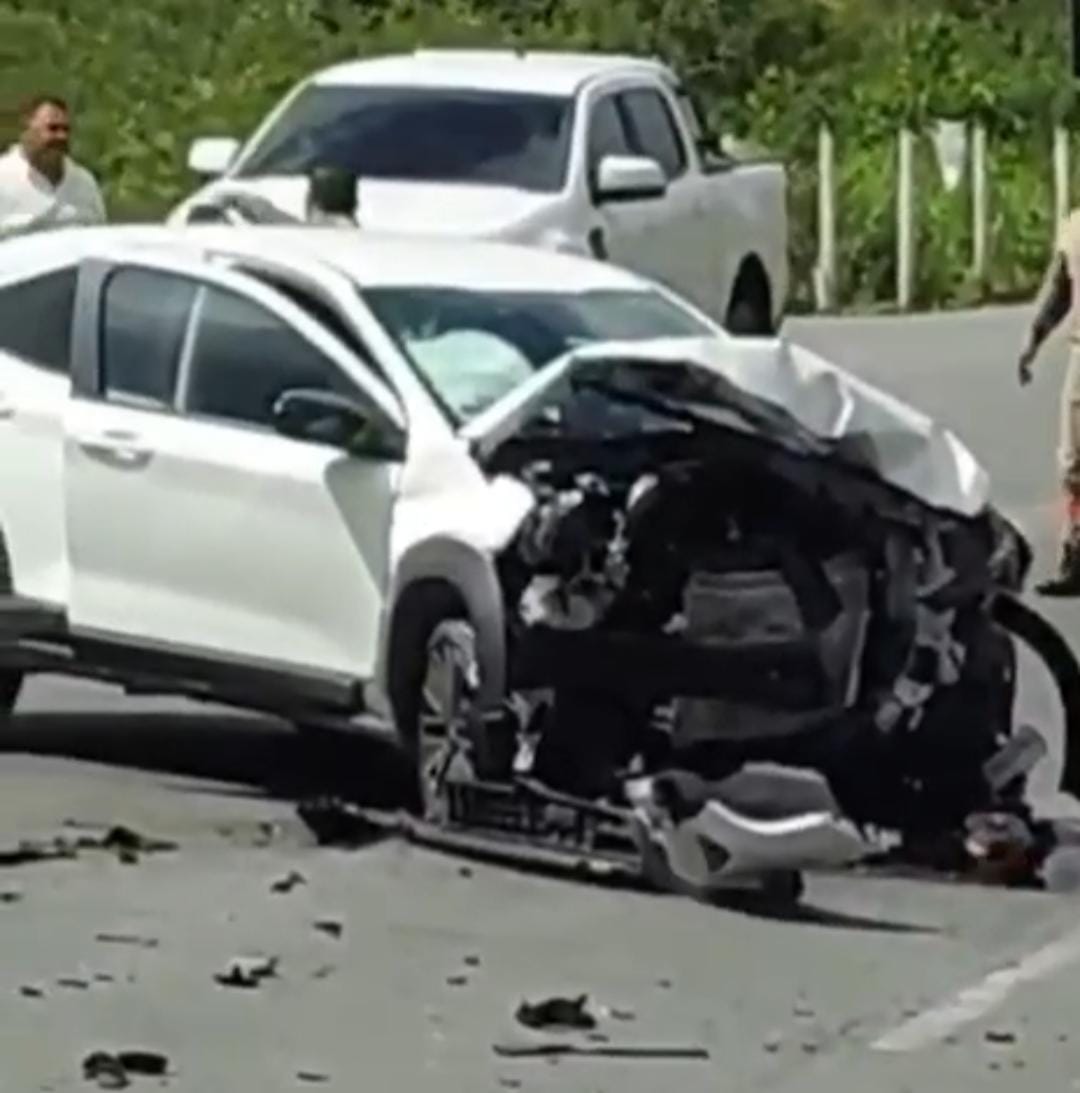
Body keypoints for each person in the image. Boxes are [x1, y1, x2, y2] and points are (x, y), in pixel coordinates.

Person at [1018, 207, 1080, 595]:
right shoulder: (1075, 226)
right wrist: (1033, 339)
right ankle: (1076, 554)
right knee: (1074, 464)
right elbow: (1059, 289)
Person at [0, 95, 106, 240]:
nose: (61, 136)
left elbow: (100, 238)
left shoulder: (84, 182)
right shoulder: (4, 178)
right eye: (53, 128)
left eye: (66, 129)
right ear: (26, 130)